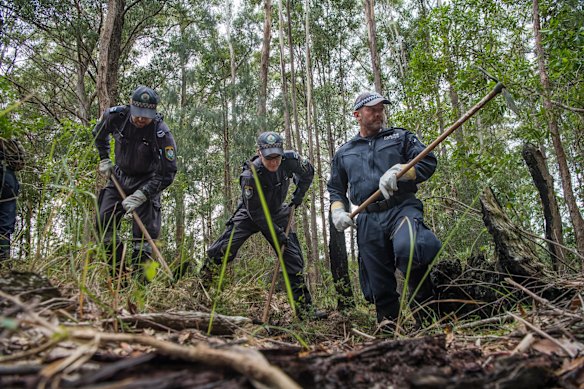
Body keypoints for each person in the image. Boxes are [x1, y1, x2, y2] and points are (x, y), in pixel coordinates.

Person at [327, 91, 441, 330]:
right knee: (377, 280)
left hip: (402, 207)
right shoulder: (344, 152)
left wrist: (402, 171)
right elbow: (336, 189)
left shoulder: (401, 137)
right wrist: (338, 212)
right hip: (368, 217)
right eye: (372, 109)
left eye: (381, 108)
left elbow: (428, 161)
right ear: (357, 115)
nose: (379, 113)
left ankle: (428, 319)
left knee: (411, 248)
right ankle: (389, 329)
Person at [204, 131, 325, 320]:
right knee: (223, 248)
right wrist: (277, 234)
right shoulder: (250, 175)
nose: (274, 162)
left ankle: (305, 311)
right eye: (269, 158)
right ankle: (199, 289)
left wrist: (299, 194)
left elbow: (308, 172)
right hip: (251, 213)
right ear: (259, 153)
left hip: (277, 211)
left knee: (293, 257)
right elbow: (257, 215)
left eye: (277, 157)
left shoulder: (291, 160)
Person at [93, 86, 177, 277]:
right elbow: (98, 134)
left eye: (146, 115)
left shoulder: (161, 133)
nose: (141, 119)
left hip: (148, 181)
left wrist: (143, 194)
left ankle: (141, 287)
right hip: (119, 177)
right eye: (138, 114)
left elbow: (168, 171)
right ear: (130, 105)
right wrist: (104, 158)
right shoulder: (116, 116)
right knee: (103, 222)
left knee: (145, 237)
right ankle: (118, 277)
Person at [0, 136, 25, 263]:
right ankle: (4, 262)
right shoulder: (8, 136)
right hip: (8, 179)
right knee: (5, 226)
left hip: (7, 180)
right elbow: (20, 161)